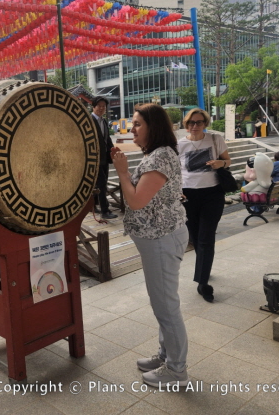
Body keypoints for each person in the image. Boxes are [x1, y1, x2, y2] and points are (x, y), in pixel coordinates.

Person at [111, 103, 189, 389]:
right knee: (162, 303)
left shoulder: (160, 157)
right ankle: (166, 355)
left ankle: (177, 371)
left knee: (166, 307)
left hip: (161, 239)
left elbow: (136, 201)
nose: (132, 128)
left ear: (152, 127)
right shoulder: (158, 154)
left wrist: (122, 172)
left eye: (137, 124)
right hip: (158, 238)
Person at [178, 108, 231, 303]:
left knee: (206, 239)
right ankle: (205, 268)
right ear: (186, 124)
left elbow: (228, 161)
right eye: (191, 122)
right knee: (195, 238)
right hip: (188, 196)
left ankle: (202, 282)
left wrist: (220, 163)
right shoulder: (179, 144)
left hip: (212, 194)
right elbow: (174, 171)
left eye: (199, 122)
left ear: (205, 124)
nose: (195, 126)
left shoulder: (215, 139)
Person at [91, 96, 117, 220]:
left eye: (103, 106)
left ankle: (93, 205)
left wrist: (112, 151)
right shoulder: (89, 120)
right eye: (99, 106)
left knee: (101, 182)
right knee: (101, 184)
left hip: (104, 158)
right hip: (94, 159)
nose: (101, 108)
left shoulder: (104, 121)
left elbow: (107, 139)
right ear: (93, 107)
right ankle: (105, 211)